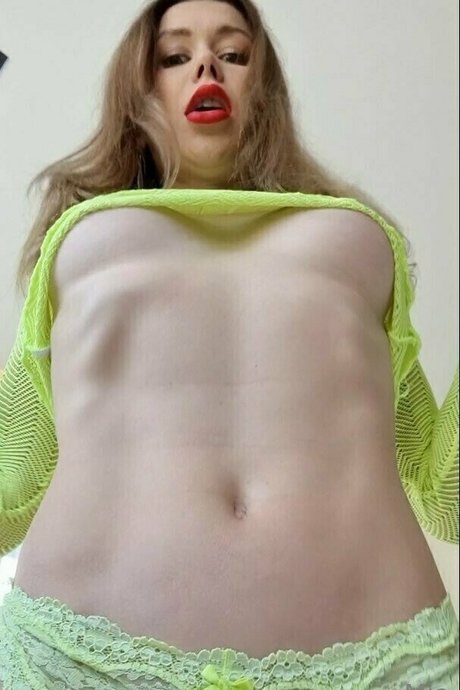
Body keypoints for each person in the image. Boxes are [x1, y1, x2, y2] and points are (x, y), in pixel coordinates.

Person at [0, 0, 458, 688]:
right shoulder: (77, 235)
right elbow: (11, 491)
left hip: (381, 665)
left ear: (265, 86)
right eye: (174, 56)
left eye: (234, 54)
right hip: (77, 662)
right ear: (137, 91)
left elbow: (443, 493)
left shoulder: (358, 237)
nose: (206, 68)